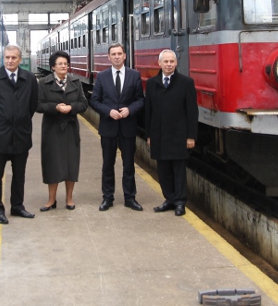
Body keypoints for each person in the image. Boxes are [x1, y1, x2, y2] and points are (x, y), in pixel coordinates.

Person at [0, 45, 39, 224]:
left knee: (19, 175)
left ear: (20, 59)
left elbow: (33, 104)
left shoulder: (29, 79)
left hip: (21, 135)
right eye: (7, 57)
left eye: (13, 57)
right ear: (3, 58)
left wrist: (21, 121)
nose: (10, 61)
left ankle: (17, 206)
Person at [90, 43, 145, 211]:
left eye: (119, 54)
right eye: (113, 54)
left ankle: (130, 198)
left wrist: (130, 109)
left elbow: (140, 100)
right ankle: (108, 198)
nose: (116, 57)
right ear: (108, 57)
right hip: (108, 127)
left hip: (128, 127)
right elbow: (94, 101)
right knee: (108, 164)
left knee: (129, 165)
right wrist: (108, 111)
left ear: (125, 56)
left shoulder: (134, 75)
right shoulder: (102, 76)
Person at [145, 49, 198, 217]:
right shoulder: (152, 83)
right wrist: (149, 135)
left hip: (179, 135)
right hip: (159, 135)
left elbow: (192, 112)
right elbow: (148, 111)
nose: (169, 64)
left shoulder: (186, 83)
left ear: (176, 63)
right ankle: (169, 199)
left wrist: (191, 136)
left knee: (179, 170)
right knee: (163, 170)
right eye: (166, 62)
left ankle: (180, 202)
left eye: (172, 61)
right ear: (159, 63)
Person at [37, 51, 89, 211]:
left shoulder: (76, 82)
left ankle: (69, 199)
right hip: (52, 129)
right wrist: (55, 107)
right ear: (53, 67)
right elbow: (37, 105)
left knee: (71, 164)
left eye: (65, 64)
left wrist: (71, 107)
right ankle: (51, 200)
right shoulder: (43, 83)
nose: (63, 66)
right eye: (60, 64)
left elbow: (84, 103)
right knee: (51, 163)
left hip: (70, 129)